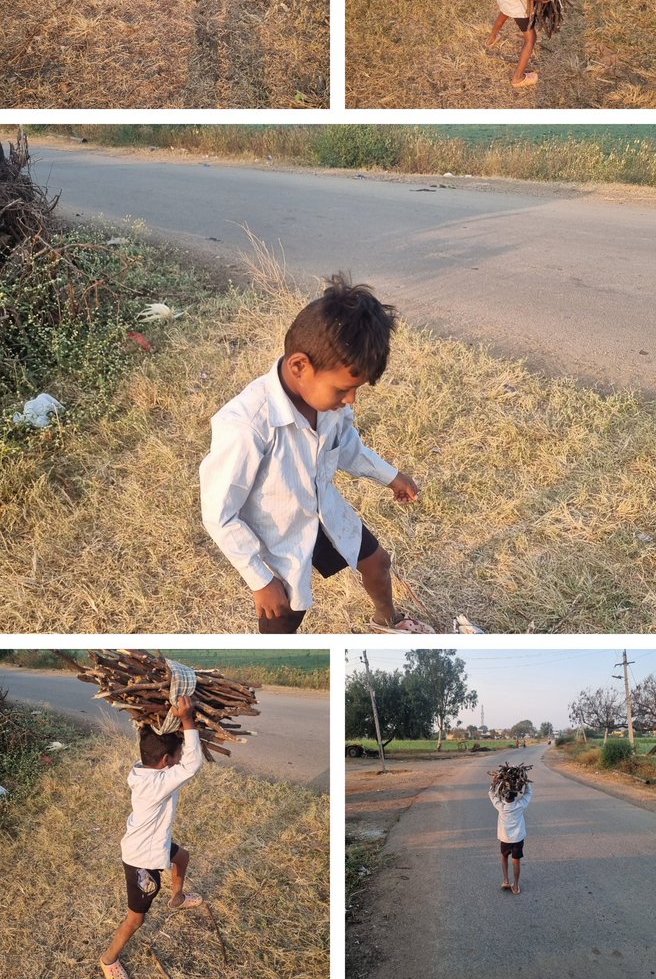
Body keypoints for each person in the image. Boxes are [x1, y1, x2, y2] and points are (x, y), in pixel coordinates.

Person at [200, 274, 434, 635]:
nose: (351, 400)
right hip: (276, 533)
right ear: (299, 367)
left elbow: (348, 447)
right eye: (344, 389)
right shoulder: (246, 425)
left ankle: (387, 622)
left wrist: (392, 476)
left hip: (323, 510)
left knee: (377, 563)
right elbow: (219, 515)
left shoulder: (328, 405)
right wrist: (260, 579)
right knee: (283, 617)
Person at [100, 696, 204, 979]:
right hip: (141, 858)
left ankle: (178, 897)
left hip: (152, 842)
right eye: (178, 754)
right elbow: (192, 765)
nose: (181, 757)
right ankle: (109, 959)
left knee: (182, 857)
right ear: (166, 761)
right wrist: (186, 720)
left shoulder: (143, 770)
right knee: (136, 917)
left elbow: (167, 752)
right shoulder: (158, 783)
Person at [488, 780, 533, 896]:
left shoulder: (500, 806)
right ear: (516, 795)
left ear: (504, 796)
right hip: (518, 839)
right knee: (516, 861)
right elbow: (528, 793)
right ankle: (516, 885)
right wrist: (526, 782)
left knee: (504, 857)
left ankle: (506, 880)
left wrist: (494, 784)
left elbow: (491, 794)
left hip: (505, 839)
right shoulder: (520, 805)